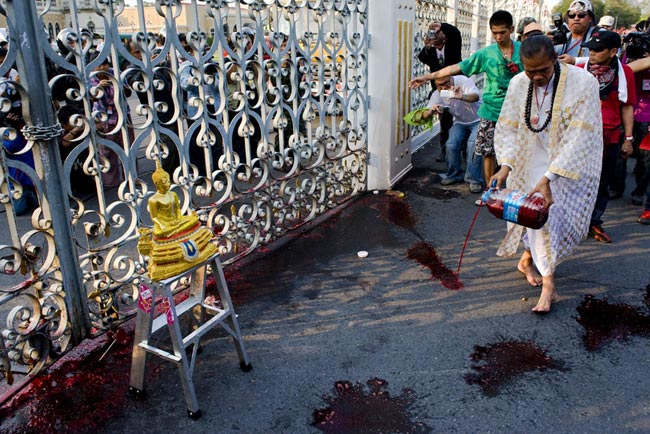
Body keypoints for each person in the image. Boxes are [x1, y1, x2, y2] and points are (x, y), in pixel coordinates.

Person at [491, 35, 603, 313]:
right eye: (531, 71)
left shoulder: (583, 82)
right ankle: (549, 285)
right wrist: (505, 164)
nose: (537, 77)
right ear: (522, 67)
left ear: (555, 59)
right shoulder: (519, 84)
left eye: (543, 70)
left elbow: (580, 136)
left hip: (567, 162)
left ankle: (528, 259)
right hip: (528, 157)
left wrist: (550, 177)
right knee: (538, 217)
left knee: (553, 219)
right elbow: (507, 126)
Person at [409, 10, 523, 192]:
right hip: (491, 111)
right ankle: (489, 191)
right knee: (485, 151)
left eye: (503, 32)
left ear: (512, 29)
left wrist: (460, 95)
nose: (498, 37)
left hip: (518, 111)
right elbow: (455, 67)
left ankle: (516, 189)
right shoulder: (486, 54)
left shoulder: (524, 51)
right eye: (494, 33)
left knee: (519, 151)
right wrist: (427, 77)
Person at [578, 30, 636, 242]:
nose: (591, 53)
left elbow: (627, 106)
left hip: (609, 136)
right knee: (576, 181)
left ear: (613, 51)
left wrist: (628, 139)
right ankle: (574, 221)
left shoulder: (625, 73)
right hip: (581, 136)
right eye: (590, 49)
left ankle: (594, 222)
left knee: (601, 182)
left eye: (597, 49)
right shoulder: (579, 70)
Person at [424, 75, 483, 193]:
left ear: (451, 78)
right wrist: (431, 111)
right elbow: (424, 114)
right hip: (460, 121)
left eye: (446, 83)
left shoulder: (462, 81)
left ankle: (474, 180)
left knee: (473, 145)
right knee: (451, 144)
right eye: (440, 85)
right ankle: (454, 174)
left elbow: (475, 97)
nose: (444, 87)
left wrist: (461, 96)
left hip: (479, 118)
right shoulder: (438, 94)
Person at [417, 21, 463, 161]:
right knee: (445, 121)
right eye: (432, 34)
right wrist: (427, 45)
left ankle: (463, 150)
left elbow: (454, 32)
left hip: (456, 86)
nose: (435, 36)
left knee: (462, 119)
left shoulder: (452, 45)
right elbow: (422, 56)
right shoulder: (430, 51)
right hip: (440, 90)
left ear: (445, 36)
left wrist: (440, 25)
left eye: (438, 33)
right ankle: (444, 151)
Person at [148, 163, 199, 239]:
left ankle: (175, 231)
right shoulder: (153, 199)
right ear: (157, 184)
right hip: (165, 223)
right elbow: (154, 217)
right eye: (165, 182)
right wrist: (162, 225)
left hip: (176, 220)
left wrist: (178, 219)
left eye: (169, 181)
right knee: (159, 232)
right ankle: (173, 232)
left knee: (193, 219)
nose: (168, 184)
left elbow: (177, 209)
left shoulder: (173, 194)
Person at [554, 0, 598, 65]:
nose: (576, 18)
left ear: (590, 18)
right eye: (572, 15)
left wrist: (575, 61)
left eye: (581, 15)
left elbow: (605, 58)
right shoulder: (562, 37)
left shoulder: (598, 35)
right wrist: (547, 44)